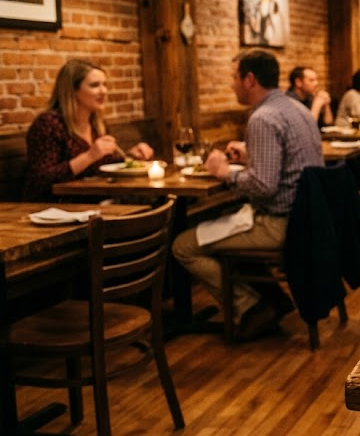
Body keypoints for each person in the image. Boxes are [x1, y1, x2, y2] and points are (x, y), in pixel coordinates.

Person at [173, 49, 324, 341]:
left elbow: (264, 187)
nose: (232, 84)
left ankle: (253, 307)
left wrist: (223, 172)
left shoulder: (263, 118)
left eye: (234, 77)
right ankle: (274, 301)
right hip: (307, 218)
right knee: (224, 222)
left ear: (250, 79)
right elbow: (286, 168)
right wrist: (249, 156)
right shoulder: (297, 109)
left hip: (280, 224)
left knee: (183, 245)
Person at [23, 60, 154, 201]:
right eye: (94, 85)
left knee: (159, 200)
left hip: (93, 200)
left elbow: (104, 165)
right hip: (55, 206)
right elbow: (41, 179)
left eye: (105, 84)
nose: (103, 91)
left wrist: (131, 157)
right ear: (73, 90)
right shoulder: (49, 124)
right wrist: (90, 156)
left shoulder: (96, 123)